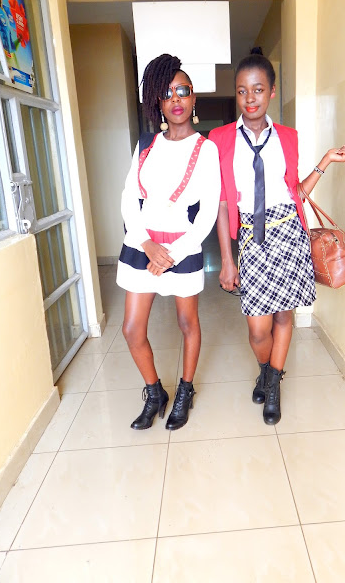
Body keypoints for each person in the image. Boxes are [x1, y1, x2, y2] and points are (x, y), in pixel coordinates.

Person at [209, 48, 345, 425]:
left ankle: (272, 384)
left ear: (271, 92)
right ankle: (266, 369)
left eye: (258, 89)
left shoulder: (288, 137)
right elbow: (222, 203)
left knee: (283, 316)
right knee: (258, 328)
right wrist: (227, 260)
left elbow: (295, 192)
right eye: (242, 91)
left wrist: (325, 161)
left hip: (288, 232)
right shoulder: (220, 138)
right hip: (251, 239)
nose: (250, 98)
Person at [117, 54, 220, 431]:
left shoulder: (206, 149)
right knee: (132, 329)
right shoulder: (146, 144)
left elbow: (207, 212)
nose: (176, 99)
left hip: (183, 249)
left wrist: (171, 254)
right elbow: (129, 197)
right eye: (166, 93)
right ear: (157, 102)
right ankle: (154, 392)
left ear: (194, 98)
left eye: (183, 91)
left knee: (187, 322)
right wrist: (146, 244)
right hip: (140, 247)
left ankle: (186, 390)